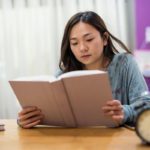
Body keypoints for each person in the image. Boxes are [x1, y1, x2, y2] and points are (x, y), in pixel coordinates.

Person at [17, 11, 150, 129]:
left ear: (104, 39)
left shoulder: (125, 64)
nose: (82, 48)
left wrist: (124, 112)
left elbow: (146, 105)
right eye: (74, 43)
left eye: (89, 39)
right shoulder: (63, 75)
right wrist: (24, 119)